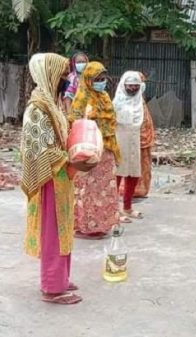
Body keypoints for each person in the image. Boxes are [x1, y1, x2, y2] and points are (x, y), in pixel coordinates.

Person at [21, 53, 93, 305]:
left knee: (63, 228)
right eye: (63, 74)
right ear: (49, 75)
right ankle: (51, 287)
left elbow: (61, 136)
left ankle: (60, 277)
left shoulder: (53, 103)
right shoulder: (37, 108)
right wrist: (70, 159)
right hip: (48, 177)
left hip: (60, 174)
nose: (67, 78)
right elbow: (39, 150)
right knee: (53, 231)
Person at [69, 62, 121, 239]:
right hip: (89, 150)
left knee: (105, 188)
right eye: (97, 79)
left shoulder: (105, 96)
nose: (101, 82)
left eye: (103, 78)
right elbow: (75, 122)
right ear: (88, 80)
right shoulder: (82, 98)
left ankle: (102, 224)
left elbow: (112, 121)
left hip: (106, 149)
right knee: (88, 188)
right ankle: (84, 226)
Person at [113, 71, 148, 219]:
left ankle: (127, 207)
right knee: (118, 173)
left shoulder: (139, 102)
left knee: (133, 173)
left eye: (136, 86)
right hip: (119, 138)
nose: (133, 89)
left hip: (134, 139)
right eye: (130, 86)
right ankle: (114, 209)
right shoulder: (116, 103)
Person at [133, 72, 155, 198]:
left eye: (142, 83)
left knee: (144, 165)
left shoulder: (141, 101)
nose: (142, 86)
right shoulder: (126, 101)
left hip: (145, 139)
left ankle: (142, 190)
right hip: (133, 140)